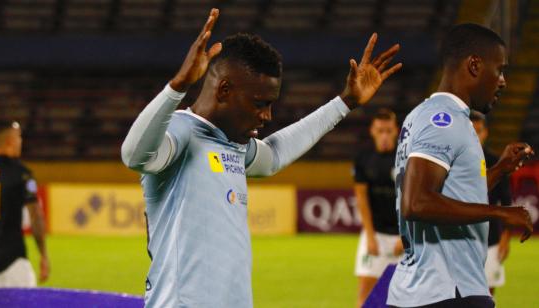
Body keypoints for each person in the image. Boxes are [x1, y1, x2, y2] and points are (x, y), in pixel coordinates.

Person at [121, 8, 402, 308]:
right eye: (260, 103)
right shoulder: (182, 132)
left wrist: (345, 102)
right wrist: (177, 86)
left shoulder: (234, 145)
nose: (267, 115)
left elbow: (277, 152)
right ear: (225, 89)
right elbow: (134, 155)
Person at [387, 23, 533, 308]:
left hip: (419, 289)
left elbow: (450, 194)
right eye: (499, 69)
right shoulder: (444, 120)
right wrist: (499, 212)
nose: (502, 81)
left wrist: (500, 169)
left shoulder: (421, 115)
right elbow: (416, 202)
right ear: (475, 65)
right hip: (449, 290)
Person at [0, 120, 49, 288]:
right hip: (13, 262)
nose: (20, 141)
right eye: (19, 137)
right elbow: (36, 215)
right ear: (10, 141)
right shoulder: (22, 174)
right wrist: (43, 254)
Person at [353, 108, 403, 307]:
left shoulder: (405, 157)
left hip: (402, 236)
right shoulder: (363, 158)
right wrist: (370, 236)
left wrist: (404, 235)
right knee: (366, 291)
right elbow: (361, 197)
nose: (384, 136)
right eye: (380, 130)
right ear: (372, 131)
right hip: (375, 234)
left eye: (388, 131)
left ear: (396, 131)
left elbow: (410, 198)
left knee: (403, 295)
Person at [469, 111, 512, 295]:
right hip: (461, 240)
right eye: (471, 131)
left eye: (478, 131)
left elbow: (507, 200)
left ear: (485, 132)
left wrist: (506, 236)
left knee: (488, 295)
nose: (475, 136)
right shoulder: (452, 162)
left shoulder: (496, 162)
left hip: (491, 239)